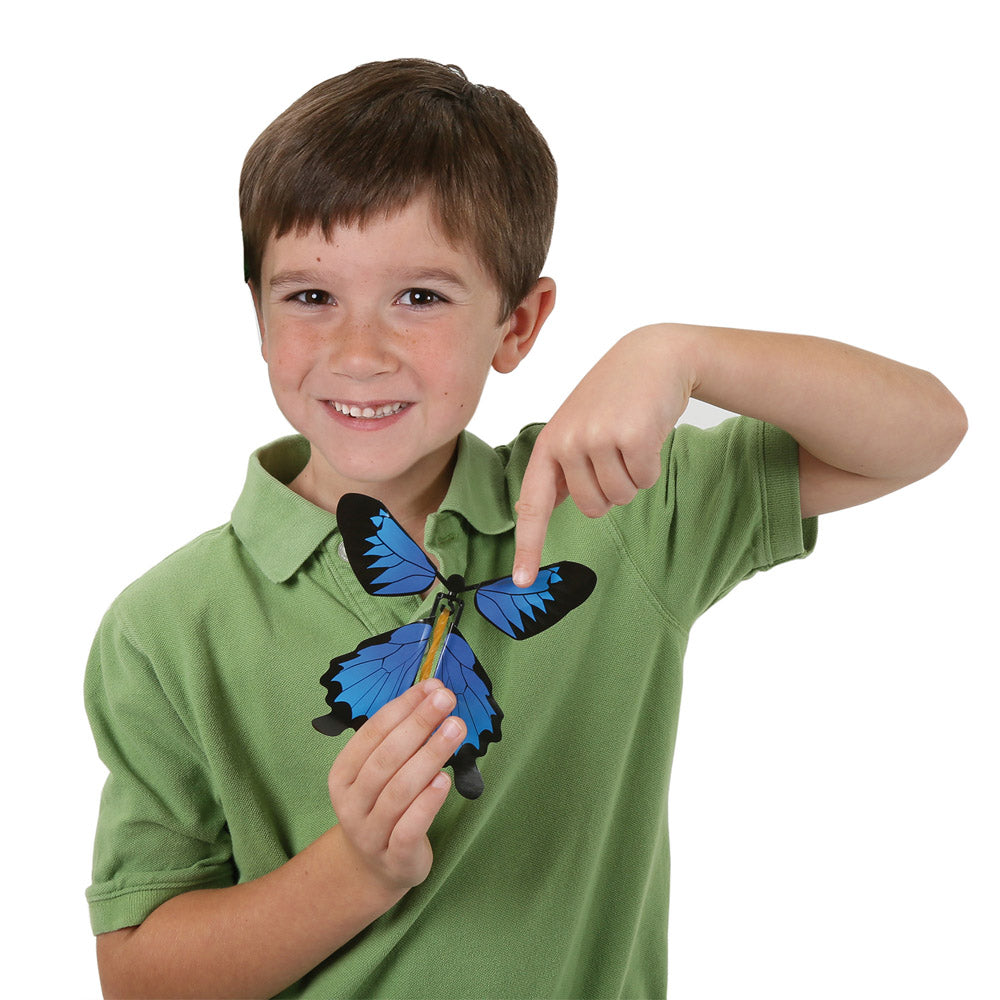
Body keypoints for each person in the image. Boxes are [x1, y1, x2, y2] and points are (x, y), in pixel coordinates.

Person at [85, 58, 966, 999]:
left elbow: (923, 431)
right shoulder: (166, 626)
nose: (359, 351)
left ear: (518, 324)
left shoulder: (612, 506)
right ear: (257, 314)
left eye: (420, 296)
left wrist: (682, 353)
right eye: (311, 296)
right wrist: (357, 872)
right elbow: (140, 975)